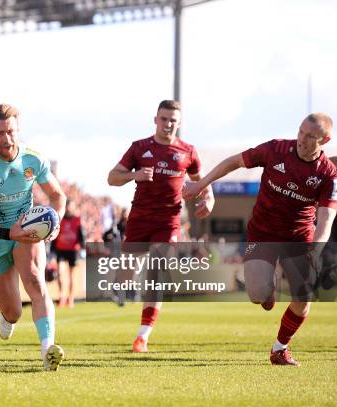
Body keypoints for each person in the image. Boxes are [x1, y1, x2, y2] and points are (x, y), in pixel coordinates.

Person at [183, 113, 337, 366]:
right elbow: (233, 162)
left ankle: (280, 349)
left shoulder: (328, 175)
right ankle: (268, 289)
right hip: (262, 232)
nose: (303, 139)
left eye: (311, 136)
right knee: (257, 294)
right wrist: (200, 186)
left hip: (298, 238)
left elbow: (326, 219)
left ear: (325, 139)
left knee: (303, 299)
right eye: (301, 132)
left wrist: (316, 252)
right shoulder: (275, 149)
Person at [0, 104, 67, 371]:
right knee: (13, 311)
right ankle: (7, 317)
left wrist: (54, 222)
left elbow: (58, 197)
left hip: (27, 230)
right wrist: (7, 233)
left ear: (18, 130)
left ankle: (47, 351)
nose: (6, 139)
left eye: (11, 132)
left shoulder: (33, 160)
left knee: (35, 281)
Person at [107, 99, 214, 353]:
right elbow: (112, 177)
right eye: (164, 119)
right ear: (155, 119)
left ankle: (143, 336)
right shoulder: (139, 148)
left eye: (173, 120)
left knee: (157, 269)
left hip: (169, 220)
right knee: (127, 272)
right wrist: (134, 175)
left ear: (179, 123)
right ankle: (119, 286)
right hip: (140, 219)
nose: (168, 124)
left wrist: (208, 199)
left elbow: (203, 184)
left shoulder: (188, 152)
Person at [53, 199, 85, 308]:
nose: (68, 208)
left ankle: (70, 299)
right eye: (67, 206)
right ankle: (62, 297)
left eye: (70, 206)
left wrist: (81, 247)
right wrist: (52, 251)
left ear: (73, 208)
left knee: (72, 276)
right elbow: (54, 235)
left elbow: (81, 237)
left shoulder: (77, 220)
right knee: (60, 273)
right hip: (60, 250)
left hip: (73, 251)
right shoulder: (60, 219)